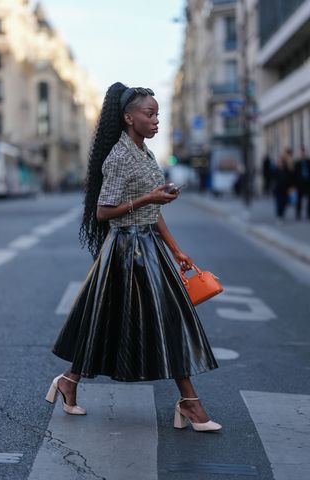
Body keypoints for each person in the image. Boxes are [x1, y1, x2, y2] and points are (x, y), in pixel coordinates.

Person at [45, 82, 221, 432]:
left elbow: (153, 213)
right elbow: (103, 212)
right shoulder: (119, 157)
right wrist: (148, 199)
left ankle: (69, 381)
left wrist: (176, 249)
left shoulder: (145, 153)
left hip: (149, 248)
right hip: (126, 251)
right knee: (166, 320)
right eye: (149, 113)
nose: (156, 120)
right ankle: (190, 403)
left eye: (158, 114)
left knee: (112, 322)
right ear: (128, 117)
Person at [273, 148, 294, 221]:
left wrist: (291, 187)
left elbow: (291, 178)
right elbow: (274, 179)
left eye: (281, 162)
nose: (280, 163)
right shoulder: (276, 170)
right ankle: (279, 216)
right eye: (279, 162)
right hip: (278, 189)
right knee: (278, 203)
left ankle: (282, 214)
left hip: (285, 189)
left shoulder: (287, 169)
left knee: (285, 203)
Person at [294, 145, 310, 220]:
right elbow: (294, 174)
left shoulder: (308, 162)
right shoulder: (297, 163)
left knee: (309, 199)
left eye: (303, 152)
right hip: (299, 184)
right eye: (301, 153)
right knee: (299, 200)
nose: (302, 154)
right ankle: (298, 214)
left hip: (308, 183)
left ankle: (308, 214)